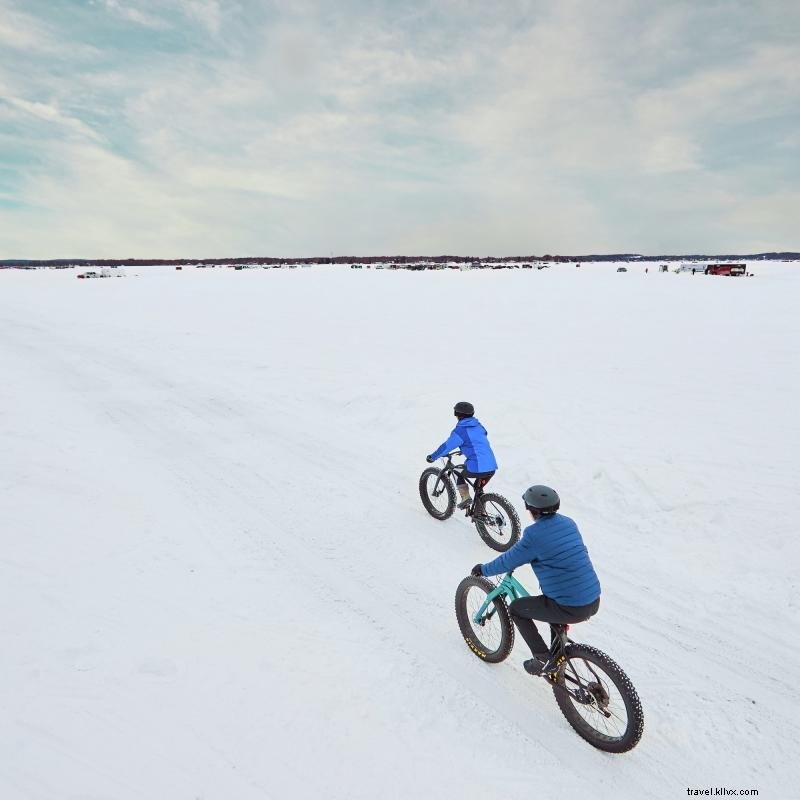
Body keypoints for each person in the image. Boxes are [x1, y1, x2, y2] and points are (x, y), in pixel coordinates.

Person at [471, 485, 600, 675]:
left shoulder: (534, 535)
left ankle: (543, 659)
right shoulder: (569, 523)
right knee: (552, 609)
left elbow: (508, 561)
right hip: (593, 598)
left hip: (569, 606)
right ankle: (557, 657)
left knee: (516, 609)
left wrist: (483, 569)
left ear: (530, 510)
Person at [426, 402, 498, 509]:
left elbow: (446, 447)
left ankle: (465, 498)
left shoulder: (460, 431)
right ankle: (481, 513)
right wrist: (466, 449)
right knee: (478, 490)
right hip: (492, 466)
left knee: (455, 471)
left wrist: (433, 457)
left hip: (477, 467)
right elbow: (478, 440)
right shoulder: (479, 426)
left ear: (457, 414)